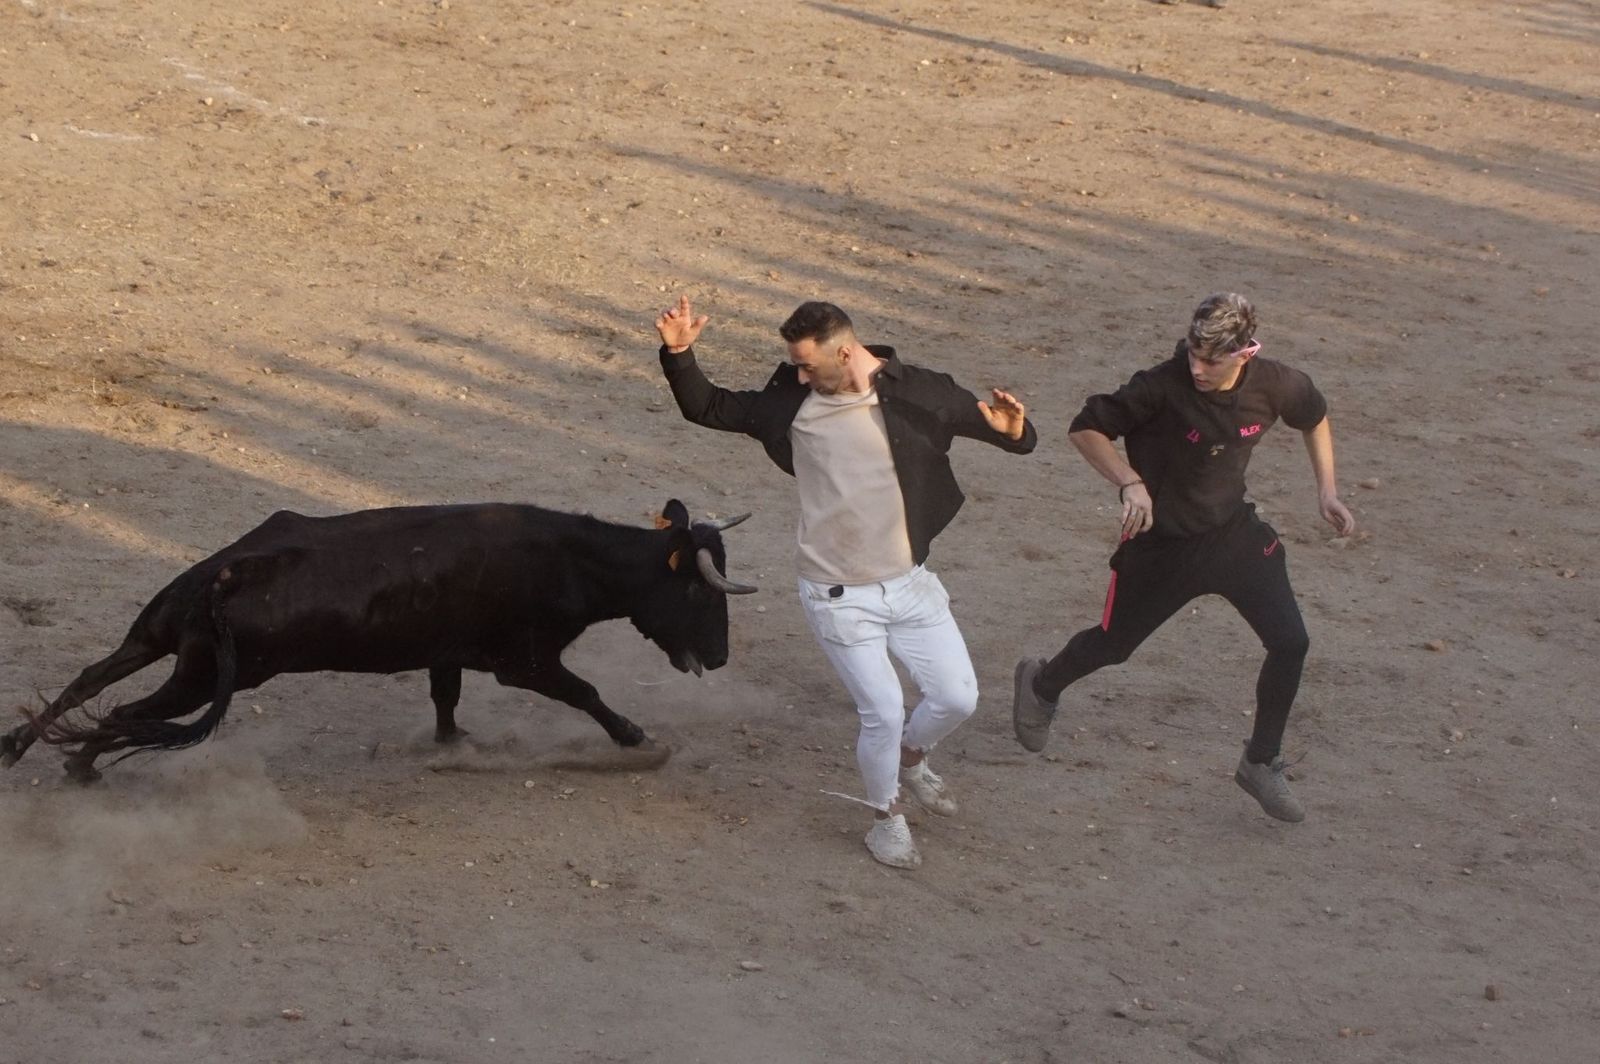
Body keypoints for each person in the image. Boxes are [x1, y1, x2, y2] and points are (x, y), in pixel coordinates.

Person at [654, 295, 1037, 868]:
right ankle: (887, 818)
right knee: (881, 710)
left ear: (847, 351)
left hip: (909, 582)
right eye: (796, 366)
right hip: (836, 594)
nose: (798, 374)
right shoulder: (790, 402)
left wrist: (1015, 430)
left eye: (809, 365)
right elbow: (708, 406)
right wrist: (679, 352)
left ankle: (911, 758)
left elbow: (1005, 432)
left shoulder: (922, 392)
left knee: (959, 697)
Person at [1011, 293, 1354, 822]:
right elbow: (1085, 428)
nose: (1196, 367)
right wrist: (1129, 482)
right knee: (1113, 645)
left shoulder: (1275, 384)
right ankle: (1041, 683)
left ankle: (1260, 761)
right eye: (1193, 352)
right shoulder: (1160, 386)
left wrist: (1327, 491)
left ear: (1245, 353)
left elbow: (1316, 416)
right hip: (1161, 545)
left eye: (1210, 359)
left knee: (1291, 642)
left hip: (1232, 536)